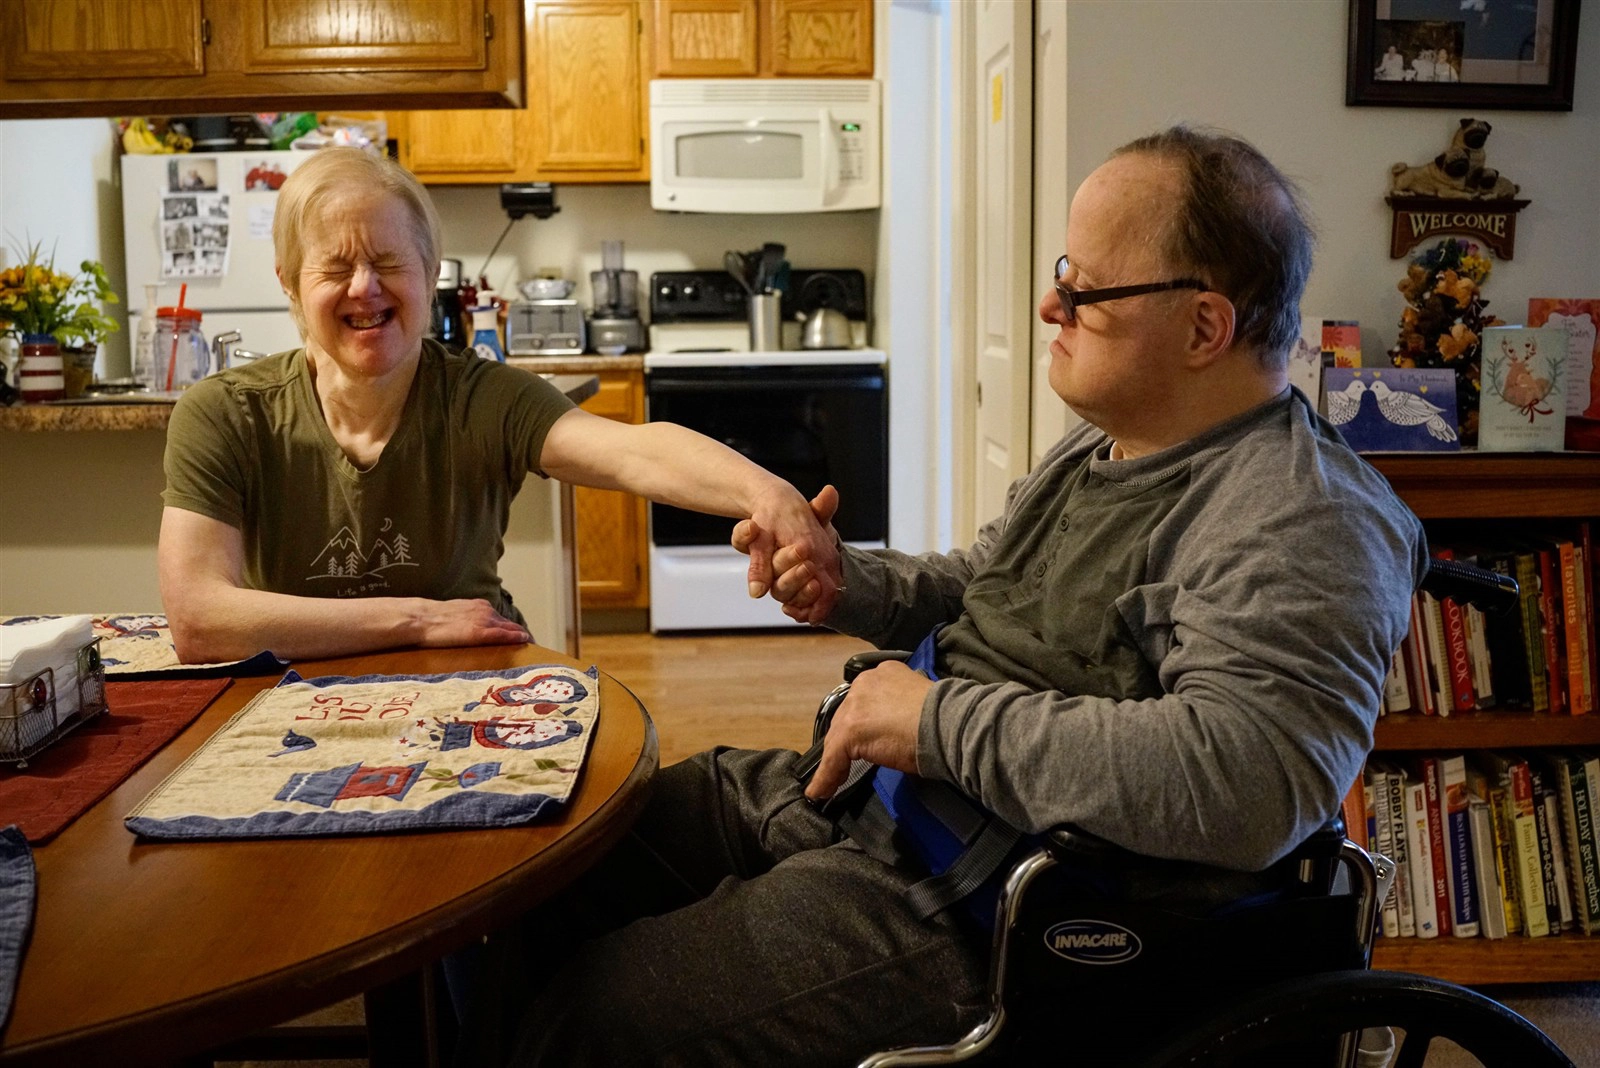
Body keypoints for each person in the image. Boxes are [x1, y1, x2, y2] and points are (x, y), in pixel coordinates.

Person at [461, 126, 1429, 1066]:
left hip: (997, 919)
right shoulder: (1107, 444)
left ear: (1204, 326)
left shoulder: (1308, 522)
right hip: (884, 804)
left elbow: (1244, 786)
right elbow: (991, 585)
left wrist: (933, 721)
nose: (1050, 307)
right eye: (1063, 273)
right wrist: (851, 581)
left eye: (1082, 290)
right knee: (566, 859)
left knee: (595, 1021)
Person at [158, 147, 838, 663]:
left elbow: (634, 452)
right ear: (290, 281)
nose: (364, 289)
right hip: (296, 691)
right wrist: (419, 620)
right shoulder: (224, 412)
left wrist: (767, 493)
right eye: (335, 268)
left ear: (430, 273)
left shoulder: (483, 398)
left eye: (389, 263)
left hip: (471, 672)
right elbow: (197, 619)